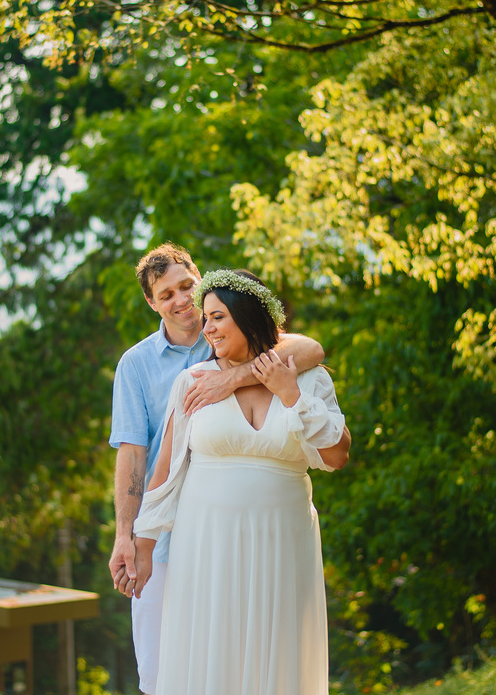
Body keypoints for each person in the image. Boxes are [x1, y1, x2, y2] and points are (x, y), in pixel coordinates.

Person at [108, 245, 328, 695]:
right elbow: (134, 455)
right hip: (164, 536)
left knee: (240, 662)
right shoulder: (136, 364)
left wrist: (231, 377)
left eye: (186, 286)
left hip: (242, 535)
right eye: (166, 294)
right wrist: (126, 536)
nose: (180, 300)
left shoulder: (233, 333)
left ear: (199, 278)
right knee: (162, 673)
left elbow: (310, 349)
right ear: (152, 303)